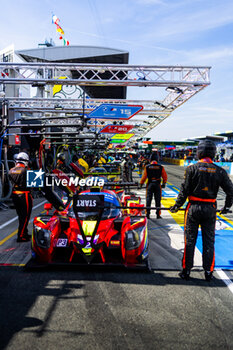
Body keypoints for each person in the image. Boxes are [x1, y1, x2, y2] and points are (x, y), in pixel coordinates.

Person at [170, 140, 233, 281]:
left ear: (199, 152)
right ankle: (209, 272)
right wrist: (227, 207)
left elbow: (184, 191)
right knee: (209, 241)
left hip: (193, 208)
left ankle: (186, 271)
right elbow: (231, 192)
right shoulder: (220, 171)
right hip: (210, 208)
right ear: (213, 153)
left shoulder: (191, 169)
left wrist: (176, 206)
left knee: (190, 240)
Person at [9, 152, 33, 242]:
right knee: (25, 216)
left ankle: (24, 233)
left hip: (15, 195)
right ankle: (21, 235)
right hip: (24, 195)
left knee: (21, 216)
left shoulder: (11, 170)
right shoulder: (25, 171)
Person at [140, 152, 167, 219]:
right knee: (158, 199)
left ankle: (147, 214)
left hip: (150, 184)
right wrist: (164, 183)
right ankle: (158, 214)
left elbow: (144, 177)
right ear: (157, 159)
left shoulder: (147, 167)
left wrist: (141, 184)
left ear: (150, 160)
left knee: (148, 199)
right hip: (157, 184)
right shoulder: (161, 167)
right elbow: (165, 176)